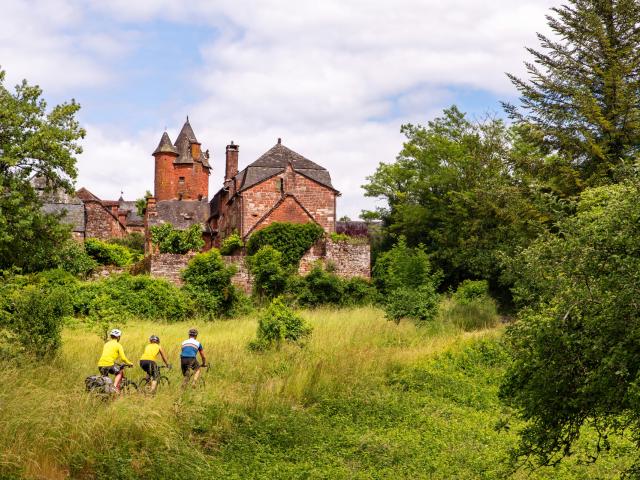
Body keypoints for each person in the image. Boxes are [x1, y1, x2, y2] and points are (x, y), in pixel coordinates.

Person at [97, 329, 133, 393]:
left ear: (111, 336)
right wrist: (129, 363)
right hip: (109, 364)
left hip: (100, 365)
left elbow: (107, 355)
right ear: (118, 337)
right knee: (119, 372)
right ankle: (115, 387)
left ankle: (108, 394)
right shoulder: (118, 345)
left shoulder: (106, 344)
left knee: (106, 382)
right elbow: (123, 358)